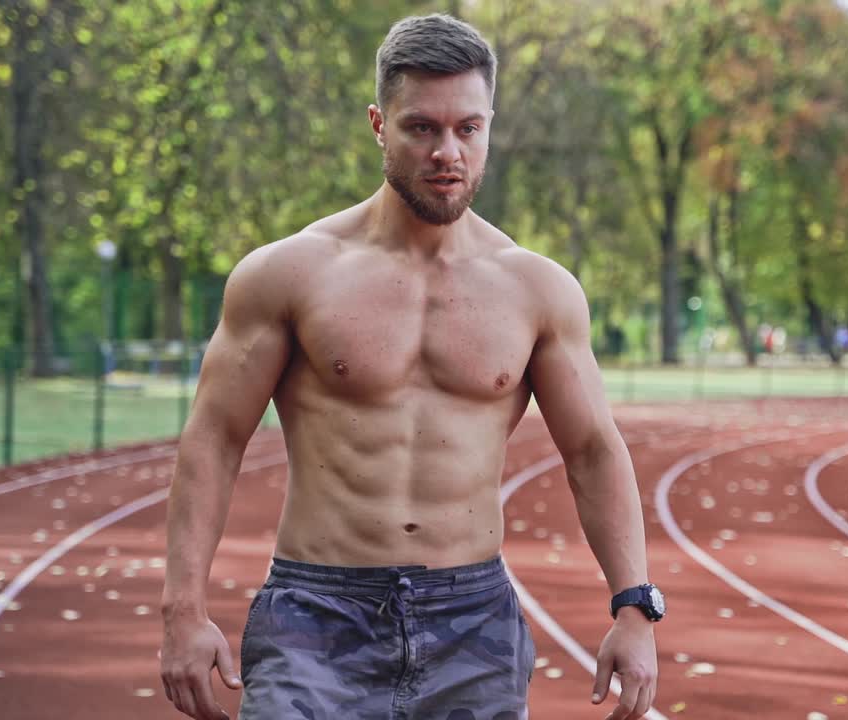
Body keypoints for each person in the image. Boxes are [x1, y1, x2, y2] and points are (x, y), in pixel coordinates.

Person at [159, 13, 662, 720]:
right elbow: (214, 438)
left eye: (467, 129)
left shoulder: (536, 290)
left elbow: (592, 450)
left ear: (490, 127)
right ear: (378, 125)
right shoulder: (290, 274)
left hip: (472, 621)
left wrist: (635, 607)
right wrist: (183, 610)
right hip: (316, 614)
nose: (446, 152)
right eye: (421, 128)